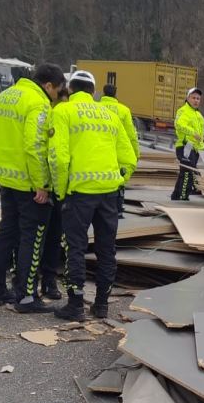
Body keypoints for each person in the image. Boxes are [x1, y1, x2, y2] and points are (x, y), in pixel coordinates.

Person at [49, 70, 137, 322]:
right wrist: (119, 179)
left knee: (75, 247)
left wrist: (61, 190)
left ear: (72, 89)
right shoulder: (109, 114)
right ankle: (101, 305)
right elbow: (129, 157)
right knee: (106, 250)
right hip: (109, 193)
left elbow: (58, 157)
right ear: (93, 91)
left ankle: (75, 305)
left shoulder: (63, 112)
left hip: (79, 193)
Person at [0, 63, 66, 311]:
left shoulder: (4, 97)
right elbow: (35, 147)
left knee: (6, 234)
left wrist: (5, 164)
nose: (55, 96)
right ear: (48, 85)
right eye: (57, 90)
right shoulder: (37, 104)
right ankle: (26, 296)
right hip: (30, 184)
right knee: (33, 238)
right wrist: (42, 184)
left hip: (7, 179)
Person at [39, 86, 70, 301]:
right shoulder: (44, 121)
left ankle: (49, 280)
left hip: (60, 190)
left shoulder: (69, 124)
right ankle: (24, 281)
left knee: (54, 239)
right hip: (42, 189)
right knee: (34, 239)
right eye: (61, 103)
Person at [100, 84, 140, 218]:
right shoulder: (123, 110)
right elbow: (131, 135)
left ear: (103, 93)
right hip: (119, 150)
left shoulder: (96, 107)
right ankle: (117, 209)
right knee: (119, 179)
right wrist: (135, 153)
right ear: (116, 94)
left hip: (100, 148)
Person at [170, 87, 204, 200]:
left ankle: (175, 196)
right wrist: (192, 133)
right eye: (193, 98)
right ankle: (183, 197)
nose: (196, 100)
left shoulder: (198, 115)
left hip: (194, 149)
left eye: (198, 98)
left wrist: (202, 147)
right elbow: (179, 125)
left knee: (186, 172)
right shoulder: (183, 111)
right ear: (188, 98)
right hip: (185, 146)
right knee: (187, 173)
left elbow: (201, 134)